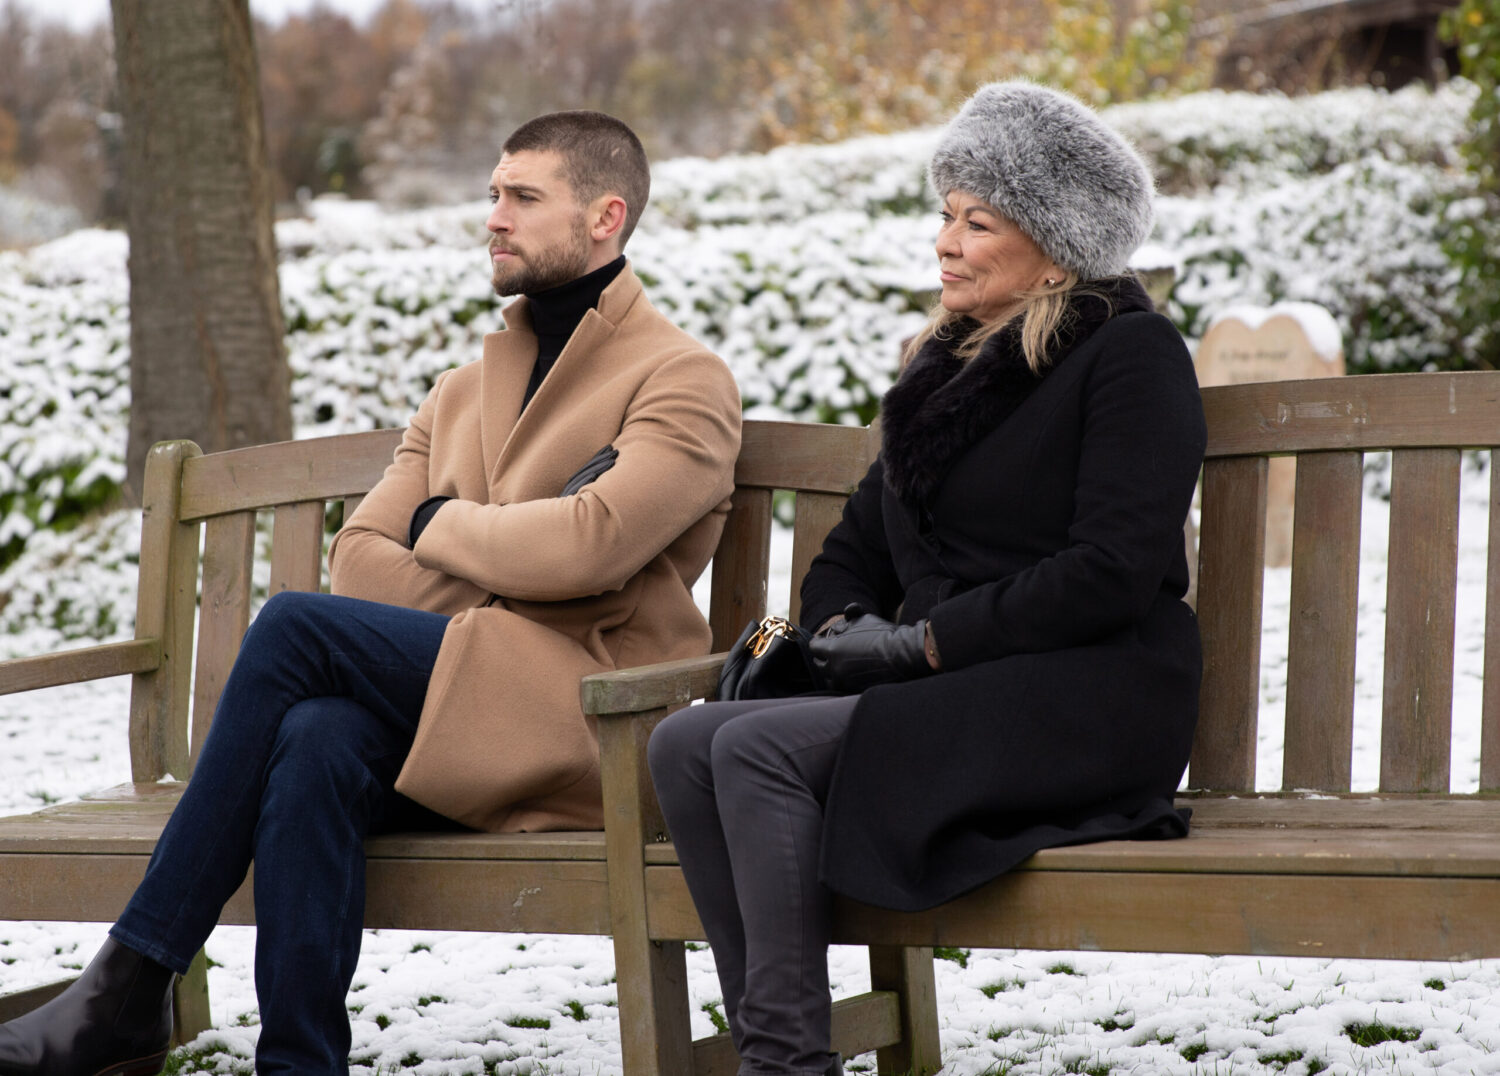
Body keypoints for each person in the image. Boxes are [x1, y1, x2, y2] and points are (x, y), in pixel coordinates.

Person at [0, 110, 742, 1076]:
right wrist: (515, 550)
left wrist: (441, 527)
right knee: (313, 739)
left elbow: (588, 550)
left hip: (588, 721)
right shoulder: (459, 390)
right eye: (492, 195)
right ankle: (298, 1063)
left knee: (297, 626)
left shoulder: (682, 379)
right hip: (456, 708)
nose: (494, 218)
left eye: (524, 197)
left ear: (606, 216)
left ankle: (132, 982)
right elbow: (359, 557)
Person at [648, 81, 1207, 1076]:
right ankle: (782, 1048)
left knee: (756, 752)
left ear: (1054, 240)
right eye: (945, 214)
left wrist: (922, 643)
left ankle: (782, 1062)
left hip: (1089, 690)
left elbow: (1113, 570)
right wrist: (837, 634)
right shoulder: (940, 374)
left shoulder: (1131, 355)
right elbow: (851, 549)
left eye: (976, 219)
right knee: (688, 741)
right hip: (959, 690)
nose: (945, 239)